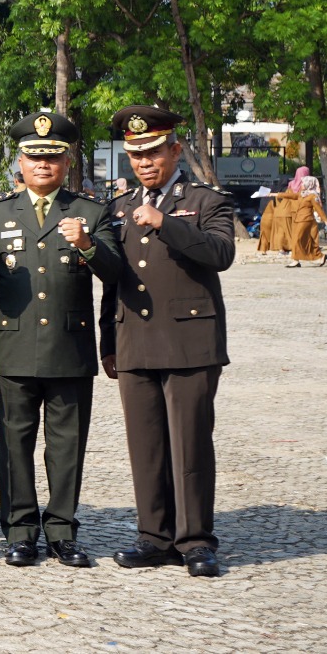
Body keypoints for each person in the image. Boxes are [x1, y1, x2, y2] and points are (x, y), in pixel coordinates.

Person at [0, 113, 123, 569]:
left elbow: (116, 276)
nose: (43, 165)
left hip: (69, 350)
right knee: (14, 444)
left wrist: (89, 246)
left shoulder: (91, 212)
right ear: (20, 161)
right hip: (12, 351)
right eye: (34, 157)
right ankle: (20, 531)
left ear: (67, 160)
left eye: (52, 157)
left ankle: (61, 530)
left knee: (67, 445)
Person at [104, 106, 234, 578]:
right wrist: (107, 341)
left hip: (189, 342)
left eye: (153, 151)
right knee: (147, 445)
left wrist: (165, 222)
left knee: (190, 443)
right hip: (134, 338)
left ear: (175, 150)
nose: (143, 161)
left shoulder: (205, 201)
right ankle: (153, 536)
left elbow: (221, 253)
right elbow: (112, 281)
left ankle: (196, 540)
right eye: (135, 154)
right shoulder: (118, 207)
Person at [274, 176, 327, 267]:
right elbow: (292, 196)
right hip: (298, 219)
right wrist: (275, 194)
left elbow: (319, 209)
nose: (301, 185)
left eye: (303, 183)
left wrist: (325, 221)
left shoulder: (313, 196)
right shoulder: (302, 194)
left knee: (297, 239)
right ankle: (320, 256)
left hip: (306, 220)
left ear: (308, 184)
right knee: (304, 240)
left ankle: (295, 260)